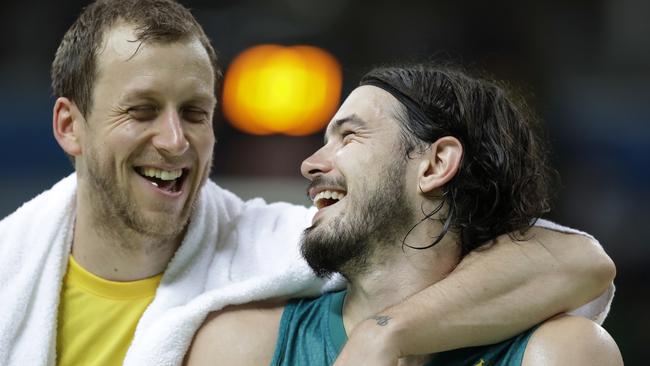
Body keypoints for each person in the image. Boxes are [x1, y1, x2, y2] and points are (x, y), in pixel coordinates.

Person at [0, 1, 615, 366]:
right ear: (68, 125)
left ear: (435, 164)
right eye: (139, 112)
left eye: (195, 113)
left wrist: (387, 333)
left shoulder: (275, 245)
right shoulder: (12, 272)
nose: (175, 141)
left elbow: (579, 260)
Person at [186, 64, 623, 366]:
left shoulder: (557, 354)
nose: (311, 163)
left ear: (434, 165)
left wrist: (381, 334)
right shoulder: (240, 346)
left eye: (349, 136)